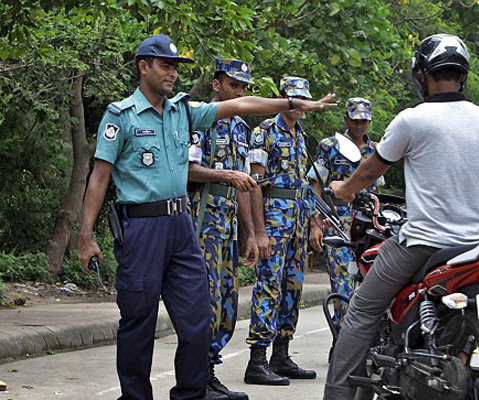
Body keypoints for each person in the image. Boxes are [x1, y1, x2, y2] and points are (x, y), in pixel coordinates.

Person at [77, 34, 336, 400]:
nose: (171, 73)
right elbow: (99, 176)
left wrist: (292, 102)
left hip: (181, 226)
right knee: (138, 320)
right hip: (142, 227)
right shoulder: (121, 116)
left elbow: (242, 104)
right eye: (165, 66)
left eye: (175, 67)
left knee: (199, 317)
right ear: (143, 67)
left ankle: (191, 393)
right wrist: (86, 236)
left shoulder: (184, 111)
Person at [323, 33, 479, 400]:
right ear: (462, 75)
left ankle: (337, 395)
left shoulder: (412, 120)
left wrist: (344, 189)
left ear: (422, 75)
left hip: (424, 243)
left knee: (361, 311)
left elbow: (370, 171)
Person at [187, 58, 259, 400]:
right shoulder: (201, 120)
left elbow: (243, 185)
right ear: (216, 85)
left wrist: (249, 233)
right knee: (206, 301)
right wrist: (226, 175)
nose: (239, 92)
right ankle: (196, 379)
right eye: (233, 85)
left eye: (243, 87)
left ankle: (209, 372)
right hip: (203, 223)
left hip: (228, 225)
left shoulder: (242, 129)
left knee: (228, 302)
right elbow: (188, 170)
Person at [244, 77, 318, 386]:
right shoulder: (264, 133)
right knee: (269, 286)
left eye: (304, 99)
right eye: (294, 98)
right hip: (274, 223)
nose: (299, 104)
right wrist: (259, 232)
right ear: (282, 97)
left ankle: (281, 354)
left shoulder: (300, 135)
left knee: (292, 288)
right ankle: (257, 360)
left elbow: (305, 185)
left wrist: (313, 221)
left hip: (297, 224)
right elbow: (255, 185)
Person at [308, 97, 384, 332]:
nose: (360, 125)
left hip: (368, 223)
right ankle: (343, 338)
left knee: (369, 284)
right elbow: (315, 186)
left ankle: (362, 340)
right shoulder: (330, 146)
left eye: (364, 121)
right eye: (355, 120)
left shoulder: (376, 150)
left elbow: (378, 189)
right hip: (338, 222)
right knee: (342, 282)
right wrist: (315, 224)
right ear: (346, 119)